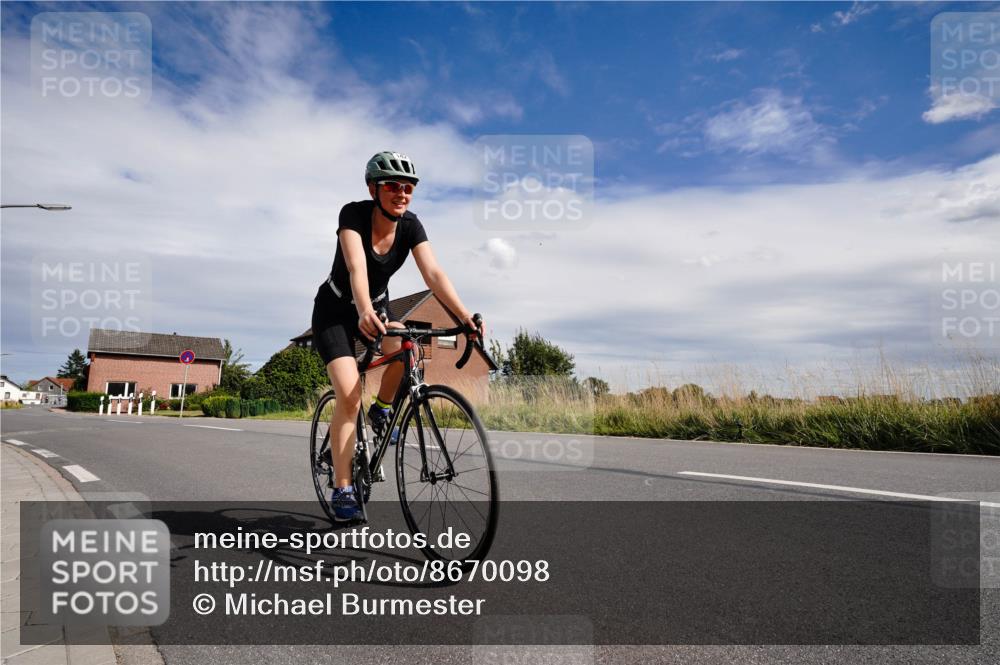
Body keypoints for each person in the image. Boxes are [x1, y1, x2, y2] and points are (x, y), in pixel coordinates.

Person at [311, 151, 482, 522]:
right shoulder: (353, 214)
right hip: (337, 311)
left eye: (408, 187)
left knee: (408, 348)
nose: (401, 193)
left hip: (376, 307)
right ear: (374, 188)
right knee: (349, 394)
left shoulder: (411, 226)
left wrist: (465, 317)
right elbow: (356, 267)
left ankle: (383, 410)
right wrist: (362, 311)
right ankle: (342, 488)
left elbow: (433, 274)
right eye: (392, 186)